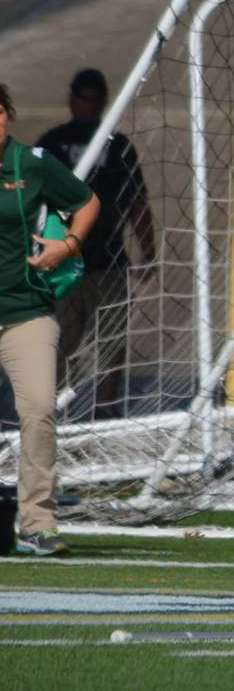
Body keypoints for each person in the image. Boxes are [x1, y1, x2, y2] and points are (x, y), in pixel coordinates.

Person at [0, 81, 100, 556]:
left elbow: (87, 202)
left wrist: (69, 245)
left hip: (26, 311)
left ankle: (37, 521)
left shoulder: (33, 163)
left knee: (39, 408)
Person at [37, 67, 156, 418]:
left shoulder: (52, 143)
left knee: (72, 338)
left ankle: (78, 405)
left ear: (72, 100)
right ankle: (98, 403)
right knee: (90, 338)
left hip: (81, 261)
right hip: (84, 261)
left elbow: (26, 201)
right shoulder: (116, 146)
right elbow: (137, 206)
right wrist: (148, 252)